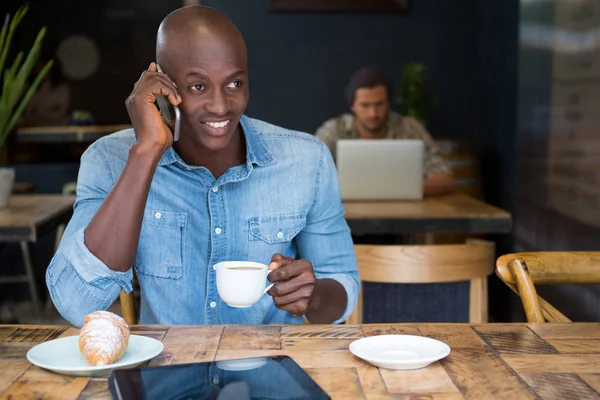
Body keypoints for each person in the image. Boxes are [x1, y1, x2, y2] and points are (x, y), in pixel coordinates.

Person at [46, 6, 359, 327]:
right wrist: (146, 152)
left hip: (274, 371)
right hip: (167, 372)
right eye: (198, 86)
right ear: (162, 85)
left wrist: (313, 295)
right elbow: (75, 302)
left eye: (234, 83)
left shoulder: (307, 160)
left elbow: (343, 285)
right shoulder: (108, 160)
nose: (221, 105)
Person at [315, 66, 455, 196]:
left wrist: (407, 192)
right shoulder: (334, 130)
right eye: (365, 105)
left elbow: (445, 178)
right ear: (353, 106)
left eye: (379, 104)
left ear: (388, 103)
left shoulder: (409, 127)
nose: (373, 113)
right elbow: (306, 173)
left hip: (403, 212)